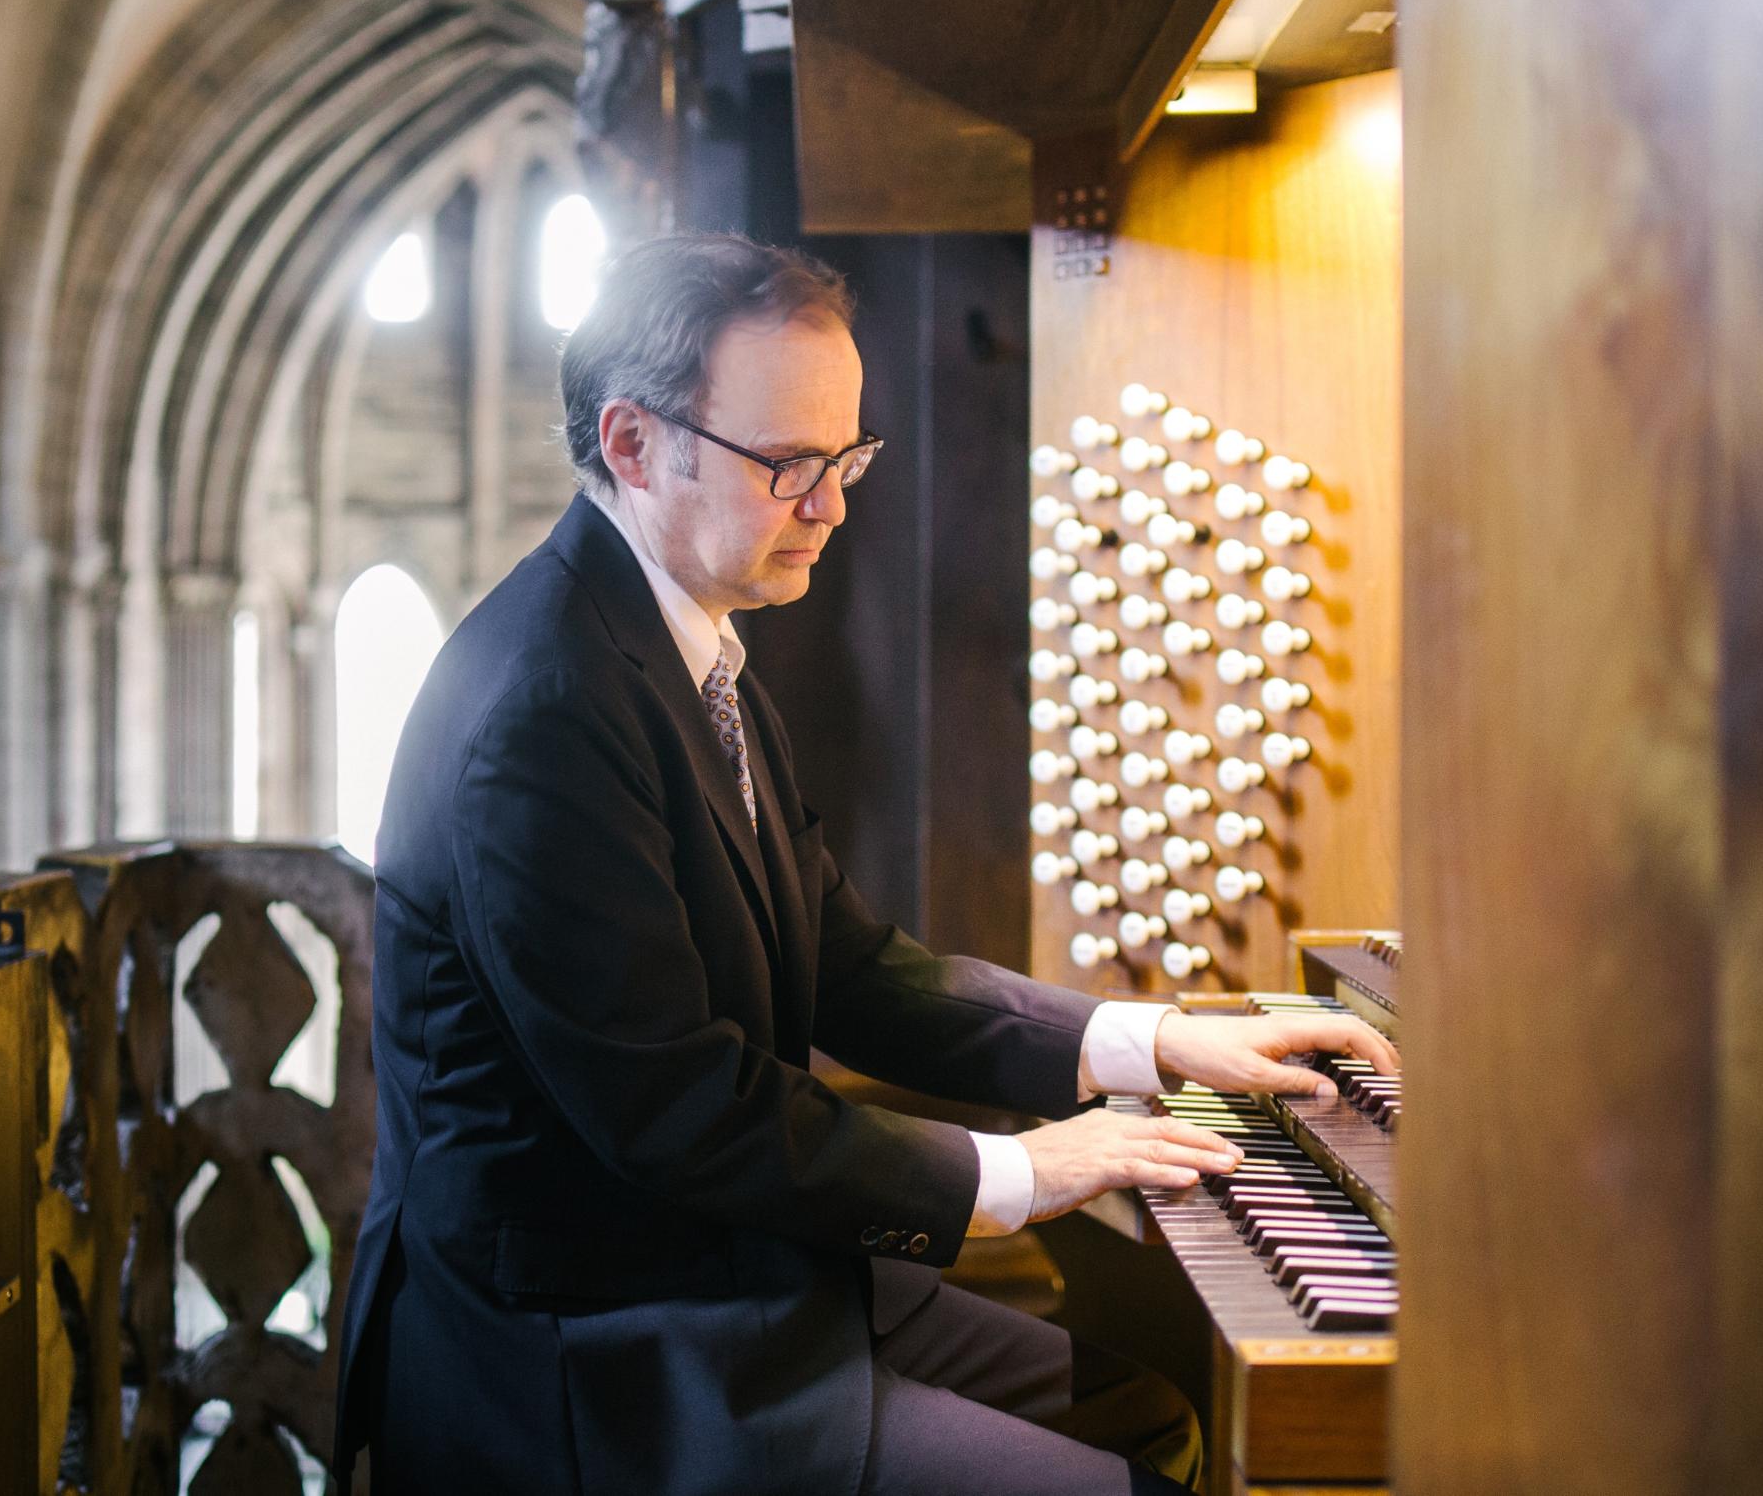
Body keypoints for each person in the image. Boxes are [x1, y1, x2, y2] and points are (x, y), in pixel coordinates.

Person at [332, 232, 1398, 1496]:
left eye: (846, 457)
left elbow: (847, 964)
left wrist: (1150, 1041)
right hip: (604, 1350)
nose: (832, 504)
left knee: (1149, 1417)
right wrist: (1020, 1168)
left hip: (738, 1276)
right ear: (631, 444)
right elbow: (680, 1113)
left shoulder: (685, 645)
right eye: (789, 463)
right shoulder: (545, 707)